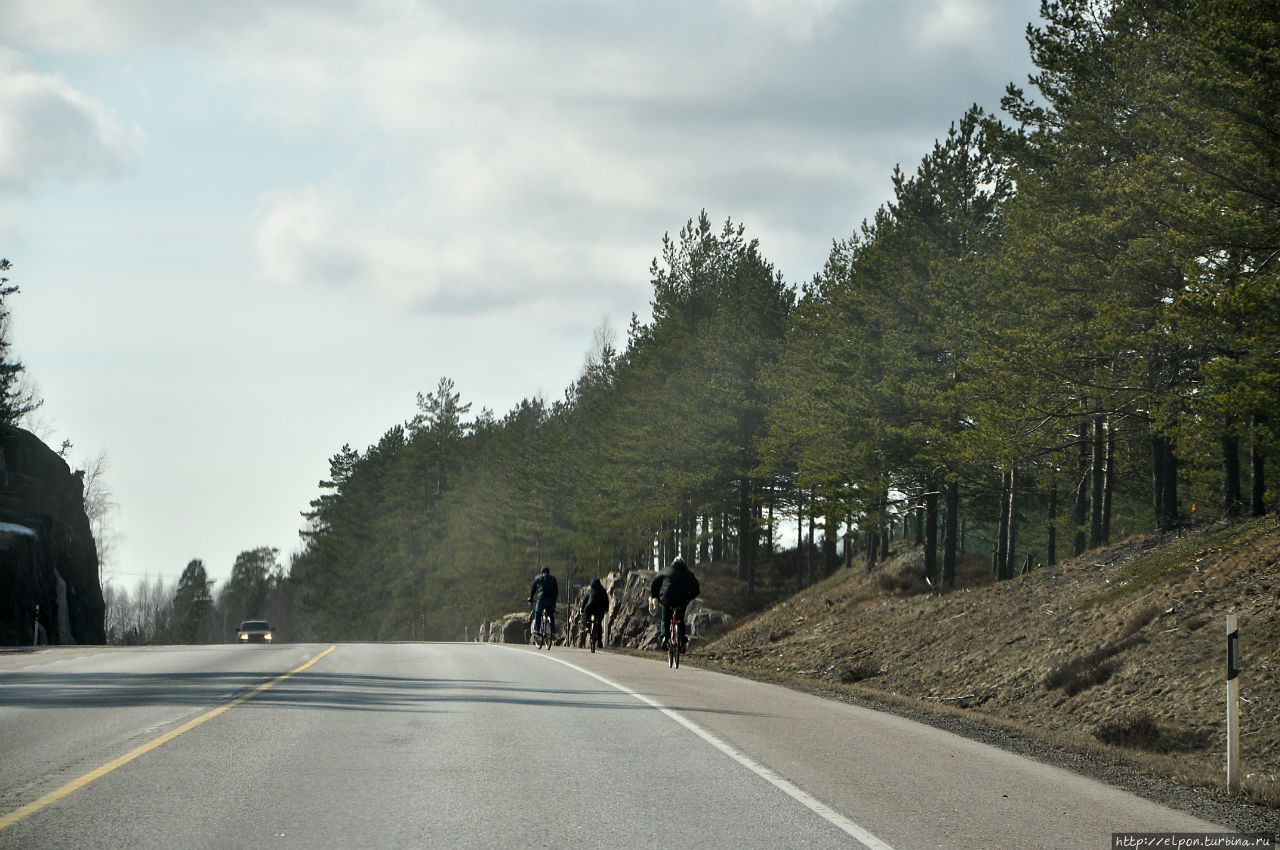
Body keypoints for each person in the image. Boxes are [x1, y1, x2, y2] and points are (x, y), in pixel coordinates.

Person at [650, 555, 700, 651]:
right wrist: (689, 598)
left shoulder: (666, 571)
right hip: (682, 600)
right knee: (680, 619)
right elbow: (696, 590)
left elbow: (655, 583)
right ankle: (682, 642)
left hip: (667, 598)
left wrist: (655, 596)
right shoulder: (688, 574)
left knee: (665, 619)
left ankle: (665, 636)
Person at [527, 566, 559, 640]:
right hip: (551, 600)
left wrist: (531, 598)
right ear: (548, 572)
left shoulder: (538, 578)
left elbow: (533, 589)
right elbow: (556, 590)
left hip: (542, 599)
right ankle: (552, 632)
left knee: (538, 612)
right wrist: (554, 599)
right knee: (551, 615)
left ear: (541, 572)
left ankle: (537, 629)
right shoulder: (553, 579)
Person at [579, 577, 610, 647]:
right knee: (598, 624)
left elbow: (585, 601)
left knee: (587, 616)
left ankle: (587, 626)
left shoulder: (590, 590)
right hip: (600, 609)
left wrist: (582, 609)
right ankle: (599, 641)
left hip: (590, 607)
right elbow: (606, 601)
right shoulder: (603, 590)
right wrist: (606, 609)